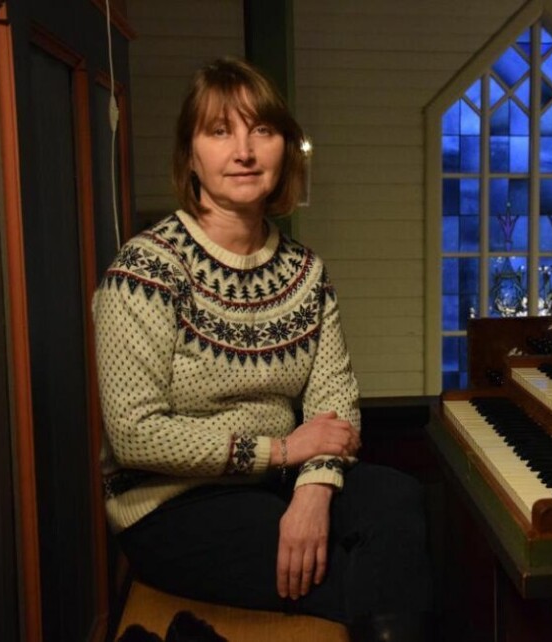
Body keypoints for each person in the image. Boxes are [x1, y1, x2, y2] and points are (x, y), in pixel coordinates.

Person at [93, 57, 433, 641]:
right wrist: (280, 451)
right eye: (219, 131)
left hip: (278, 487)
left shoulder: (306, 273)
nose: (244, 151)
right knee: (373, 576)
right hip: (170, 507)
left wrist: (312, 491)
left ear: (284, 149)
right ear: (191, 154)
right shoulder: (146, 268)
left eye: (262, 130)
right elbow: (135, 432)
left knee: (397, 498)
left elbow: (336, 408)